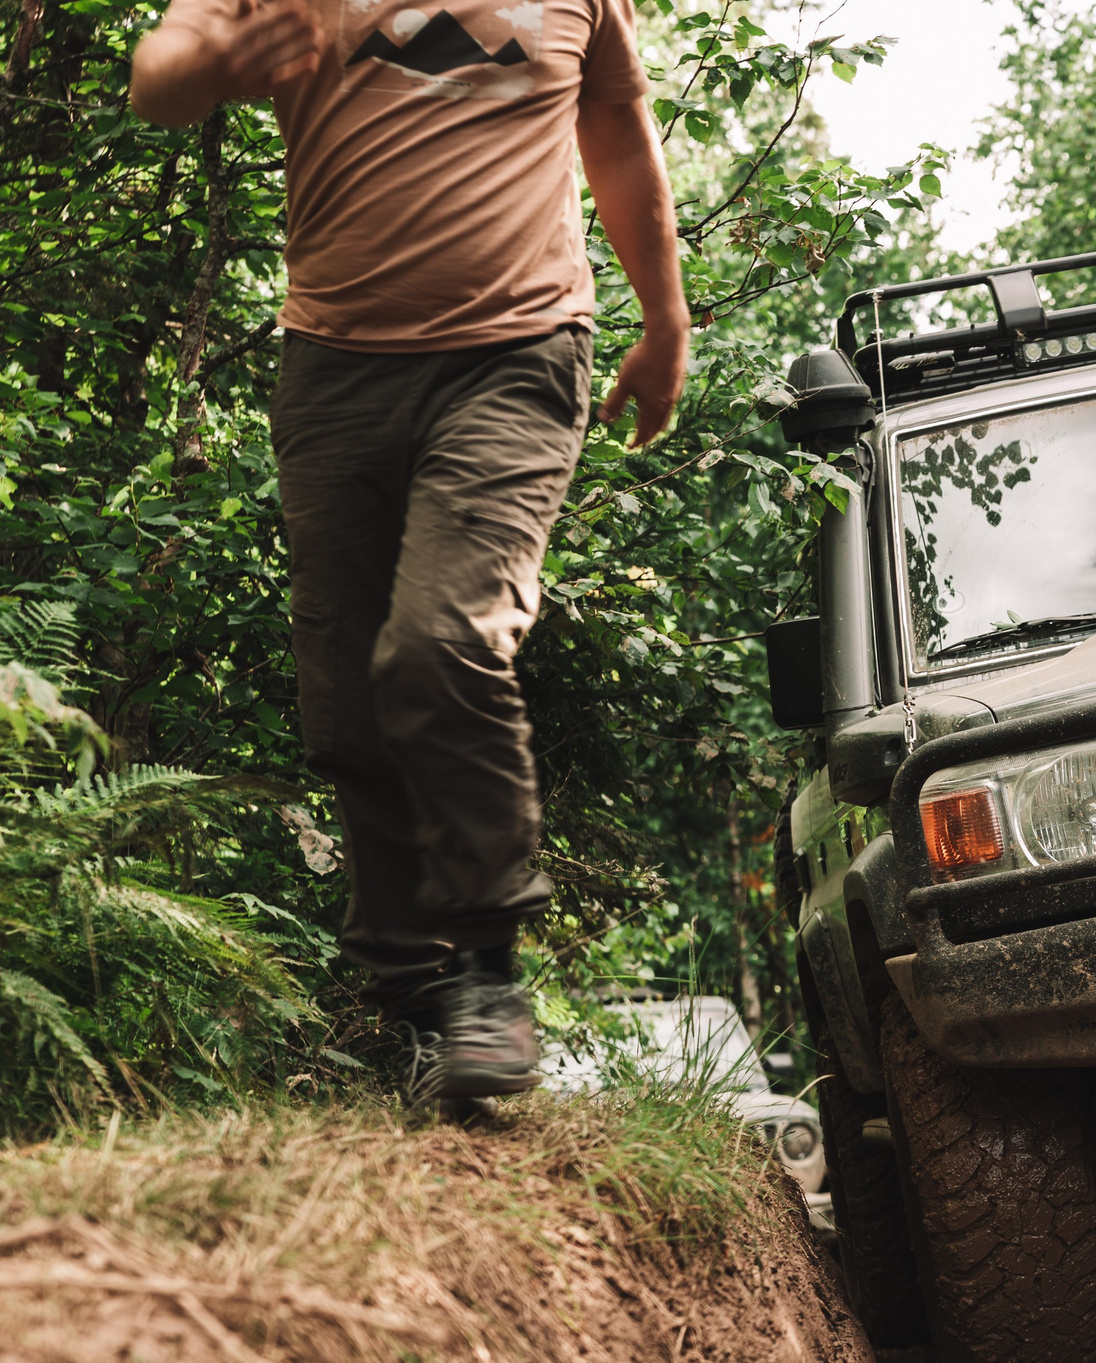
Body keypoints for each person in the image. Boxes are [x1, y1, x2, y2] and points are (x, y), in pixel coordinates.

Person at [130, 0, 689, 1102]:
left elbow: (615, 119)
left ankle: (487, 976)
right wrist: (209, 64)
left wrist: (666, 319)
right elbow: (159, 73)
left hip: (516, 357)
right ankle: (419, 1000)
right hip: (335, 368)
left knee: (439, 644)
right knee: (345, 702)